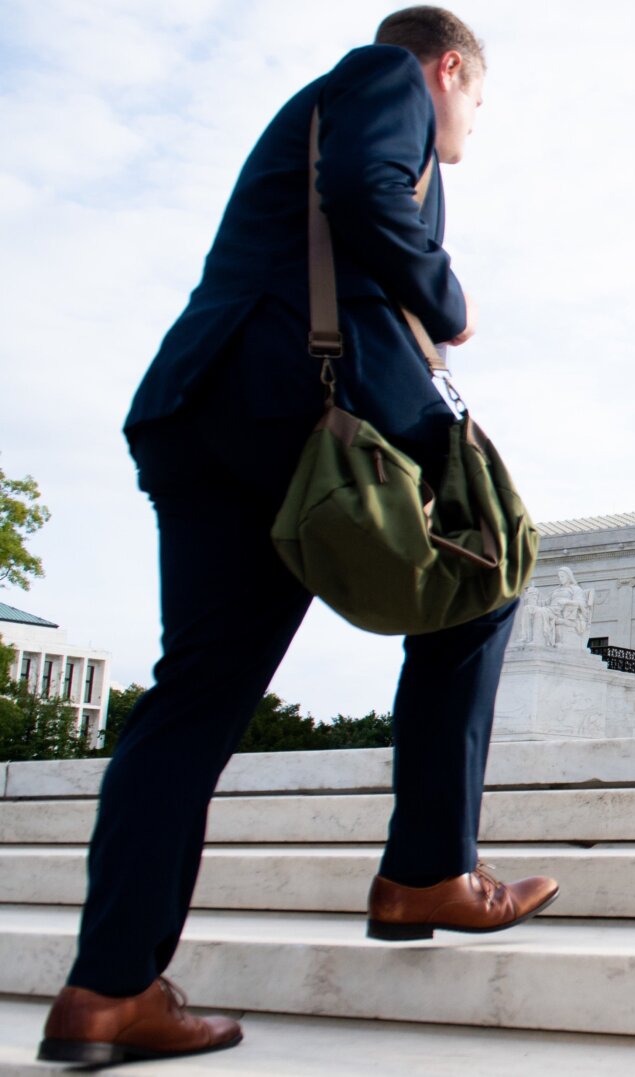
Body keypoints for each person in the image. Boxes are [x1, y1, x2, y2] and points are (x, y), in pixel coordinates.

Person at [37, 7, 558, 1066]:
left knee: (193, 701)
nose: (467, 127)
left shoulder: (304, 120)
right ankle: (426, 870)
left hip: (199, 414)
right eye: (475, 105)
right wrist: (445, 299)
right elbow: (365, 192)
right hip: (297, 399)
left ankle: (109, 990)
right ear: (449, 68)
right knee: (485, 571)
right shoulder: (385, 78)